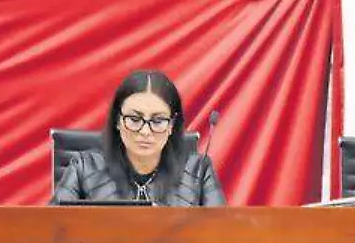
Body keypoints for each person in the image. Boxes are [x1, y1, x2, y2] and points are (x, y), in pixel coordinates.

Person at [52, 70, 226, 206]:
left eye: (157, 121)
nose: (145, 131)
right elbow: (50, 229)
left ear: (171, 125)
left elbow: (223, 233)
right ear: (117, 121)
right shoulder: (84, 168)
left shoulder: (198, 171)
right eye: (134, 119)